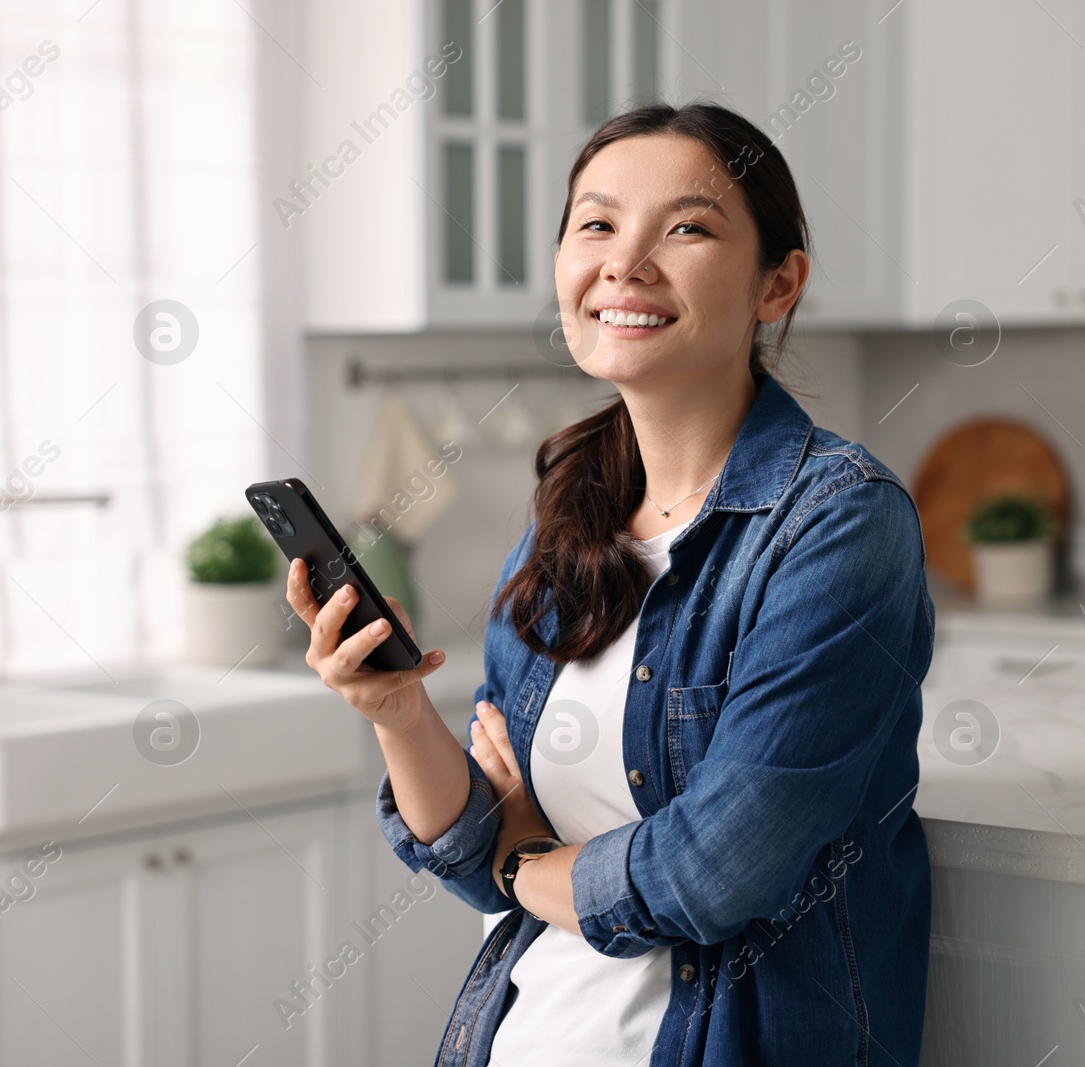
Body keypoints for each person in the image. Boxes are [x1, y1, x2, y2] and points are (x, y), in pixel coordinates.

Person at [285, 101, 935, 1066]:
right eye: (596, 224)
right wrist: (396, 710)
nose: (625, 263)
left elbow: (711, 873)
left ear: (777, 282)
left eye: (686, 228)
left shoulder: (840, 523)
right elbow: (468, 853)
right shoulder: (565, 522)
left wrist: (523, 853)